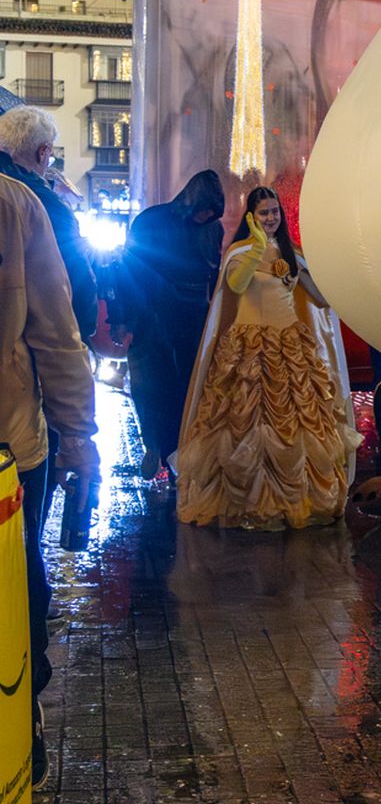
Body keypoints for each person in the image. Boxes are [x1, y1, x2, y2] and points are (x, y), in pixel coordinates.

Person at [175, 187, 359, 530]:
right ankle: (247, 502)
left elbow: (320, 299)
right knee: (245, 423)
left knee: (299, 423)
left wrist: (320, 274)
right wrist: (256, 249)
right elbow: (236, 285)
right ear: (251, 217)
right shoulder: (240, 251)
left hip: (290, 348)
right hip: (249, 349)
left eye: (275, 211)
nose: (271, 218)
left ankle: (298, 501)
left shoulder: (291, 252)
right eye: (264, 213)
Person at [0, 172, 98, 788]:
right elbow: (58, 335)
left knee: (17, 586)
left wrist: (78, 437)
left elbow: (57, 335)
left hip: (10, 447)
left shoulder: (13, 203)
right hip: (13, 441)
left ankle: (20, 718)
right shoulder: (15, 201)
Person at [111, 170, 225, 477]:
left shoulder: (211, 229)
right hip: (151, 314)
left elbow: (213, 274)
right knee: (150, 385)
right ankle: (155, 445)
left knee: (184, 386)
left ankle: (176, 451)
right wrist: (121, 318)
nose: (205, 217)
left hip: (191, 317)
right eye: (203, 211)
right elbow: (127, 270)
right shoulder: (151, 221)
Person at [0, 107, 98, 342]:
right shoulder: (47, 206)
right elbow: (72, 275)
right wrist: (82, 329)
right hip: (25, 336)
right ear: (43, 151)